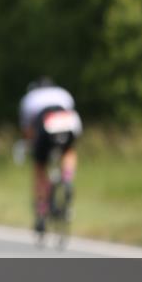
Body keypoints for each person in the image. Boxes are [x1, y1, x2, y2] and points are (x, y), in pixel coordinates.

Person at [19, 77, 83, 234]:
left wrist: (31, 146)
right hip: (68, 122)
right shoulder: (63, 93)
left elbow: (28, 130)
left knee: (40, 168)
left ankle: (41, 210)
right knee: (68, 151)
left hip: (45, 123)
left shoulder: (29, 98)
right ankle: (67, 178)